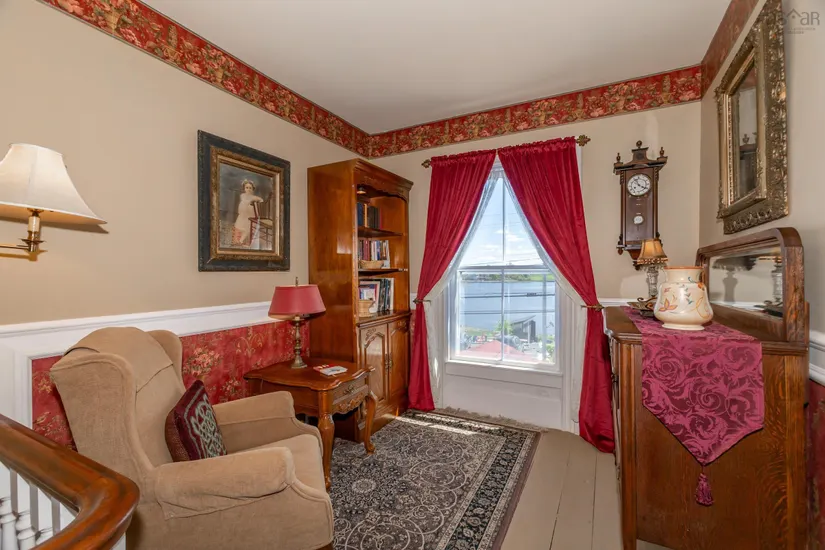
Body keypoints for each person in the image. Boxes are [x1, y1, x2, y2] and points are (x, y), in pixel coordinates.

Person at [232, 179, 263, 247]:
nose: (248, 189)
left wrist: (256, 201)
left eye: (250, 188)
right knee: (241, 225)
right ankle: (239, 240)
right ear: (244, 188)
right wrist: (251, 201)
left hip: (250, 213)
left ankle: (243, 241)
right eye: (247, 187)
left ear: (252, 189)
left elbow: (261, 200)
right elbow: (245, 201)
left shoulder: (254, 197)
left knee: (248, 227)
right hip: (243, 213)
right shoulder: (242, 195)